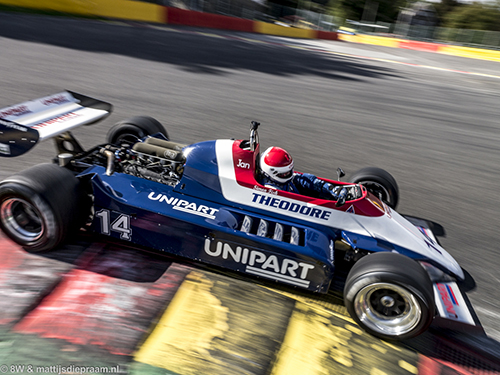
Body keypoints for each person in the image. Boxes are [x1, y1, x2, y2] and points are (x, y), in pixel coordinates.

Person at [258, 146, 341, 200]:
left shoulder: (280, 179)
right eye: (285, 173)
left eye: (289, 171)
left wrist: (327, 187)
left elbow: (303, 179)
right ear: (273, 172)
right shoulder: (272, 192)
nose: (289, 174)